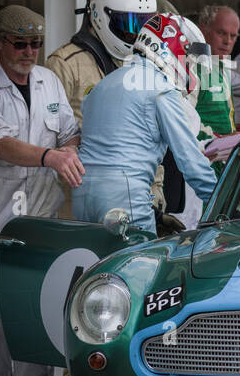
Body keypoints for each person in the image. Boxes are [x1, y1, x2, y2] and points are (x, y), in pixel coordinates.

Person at [0, 6, 83, 376]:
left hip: (41, 210)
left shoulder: (48, 80)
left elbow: (69, 128)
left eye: (35, 43)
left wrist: (68, 149)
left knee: (37, 301)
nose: (30, 51)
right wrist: (49, 157)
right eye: (20, 43)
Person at [73, 14, 218, 235]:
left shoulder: (105, 83)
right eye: (188, 58)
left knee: (93, 266)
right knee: (138, 267)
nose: (190, 66)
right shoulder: (160, 88)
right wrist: (224, 201)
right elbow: (191, 161)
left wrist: (156, 215)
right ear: (172, 48)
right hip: (125, 197)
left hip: (82, 196)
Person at [46, 0, 157, 125]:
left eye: (142, 24)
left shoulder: (148, 62)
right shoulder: (65, 64)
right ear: (98, 15)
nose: (135, 34)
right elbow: (50, 125)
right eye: (128, 25)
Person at [197, 4, 240, 133]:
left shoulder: (222, 66)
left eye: (233, 36)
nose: (227, 41)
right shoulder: (190, 67)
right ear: (203, 31)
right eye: (221, 33)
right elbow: (181, 122)